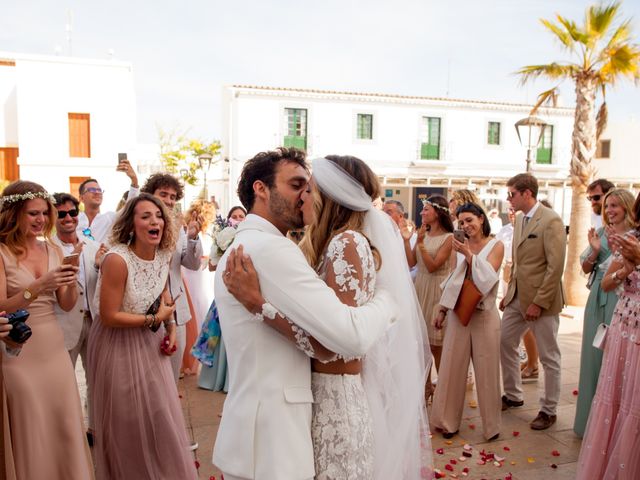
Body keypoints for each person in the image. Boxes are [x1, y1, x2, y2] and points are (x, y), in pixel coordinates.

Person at [222, 153, 431, 479]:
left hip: (331, 399)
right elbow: (330, 341)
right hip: (291, 420)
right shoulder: (279, 248)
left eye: (308, 187)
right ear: (261, 189)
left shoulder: (340, 243)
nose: (303, 195)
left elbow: (343, 343)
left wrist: (390, 301)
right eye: (296, 185)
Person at [87, 193, 197, 479]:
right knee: (127, 420)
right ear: (131, 224)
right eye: (145, 216)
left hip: (150, 342)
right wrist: (155, 319)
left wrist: (170, 326)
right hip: (116, 343)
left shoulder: (164, 254)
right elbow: (109, 315)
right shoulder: (117, 260)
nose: (154, 221)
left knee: (160, 413)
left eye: (159, 215)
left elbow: (163, 291)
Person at [0, 180, 94, 479]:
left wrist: (70, 274)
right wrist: (38, 287)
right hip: (19, 352)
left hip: (53, 348)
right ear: (13, 214)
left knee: (62, 422)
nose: (41, 220)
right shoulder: (2, 252)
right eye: (32, 213)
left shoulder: (52, 249)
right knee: (31, 424)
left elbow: (66, 304)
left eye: (44, 213)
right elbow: (2, 305)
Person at [575, 194, 640, 479]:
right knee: (615, 389)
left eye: (614, 205)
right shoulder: (631, 237)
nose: (609, 210)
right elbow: (609, 278)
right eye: (605, 206)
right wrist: (626, 268)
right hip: (624, 321)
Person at [431, 202, 504, 440]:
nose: (466, 226)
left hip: (484, 315)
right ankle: (448, 423)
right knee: (452, 369)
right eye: (461, 222)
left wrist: (468, 254)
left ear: (481, 219)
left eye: (470, 220)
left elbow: (488, 279)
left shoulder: (497, 245)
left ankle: (491, 427)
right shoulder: (457, 247)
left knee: (487, 372)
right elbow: (453, 279)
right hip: (458, 313)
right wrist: (442, 309)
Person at [500, 173, 566, 430]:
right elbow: (518, 263)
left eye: (512, 194)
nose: (509, 199)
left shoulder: (551, 220)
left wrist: (538, 302)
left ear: (527, 193)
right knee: (505, 341)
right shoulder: (518, 221)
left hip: (543, 300)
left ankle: (548, 410)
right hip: (517, 297)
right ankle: (514, 395)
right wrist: (509, 293)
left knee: (549, 357)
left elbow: (555, 266)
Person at [51, 192, 108, 446]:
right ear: (54, 216)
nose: (68, 218)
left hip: (94, 322)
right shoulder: (47, 249)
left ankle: (94, 428)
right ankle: (67, 432)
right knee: (64, 382)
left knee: (97, 379)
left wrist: (97, 265)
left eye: (72, 213)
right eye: (61, 214)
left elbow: (104, 281)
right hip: (62, 323)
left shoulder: (93, 246)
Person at [140, 173, 204, 382]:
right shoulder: (139, 227)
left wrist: (193, 237)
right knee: (148, 375)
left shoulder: (179, 229)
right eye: (163, 194)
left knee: (172, 373)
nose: (169, 200)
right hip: (146, 310)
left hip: (177, 310)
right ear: (150, 195)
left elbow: (192, 264)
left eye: (173, 196)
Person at [406, 194, 454, 402]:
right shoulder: (421, 233)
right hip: (420, 288)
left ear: (438, 212)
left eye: (426, 209)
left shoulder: (448, 238)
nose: (422, 212)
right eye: (422, 209)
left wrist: (422, 244)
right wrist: (407, 240)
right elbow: (411, 262)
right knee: (420, 345)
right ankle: (426, 388)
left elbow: (434, 266)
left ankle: (443, 388)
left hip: (436, 291)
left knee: (436, 346)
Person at [194, 205, 247, 392]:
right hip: (225, 290)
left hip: (244, 292)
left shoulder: (249, 238)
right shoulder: (220, 238)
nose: (238, 219)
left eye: (242, 216)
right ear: (228, 219)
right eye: (235, 216)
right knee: (218, 334)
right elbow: (211, 266)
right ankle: (215, 378)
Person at [180, 199, 216, 376]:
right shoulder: (194, 233)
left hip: (199, 276)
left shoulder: (204, 233)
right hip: (197, 275)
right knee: (198, 309)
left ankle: (195, 355)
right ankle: (192, 356)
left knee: (200, 310)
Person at [77, 159, 139, 242]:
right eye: (92, 190)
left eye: (99, 190)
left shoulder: (109, 219)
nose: (97, 193)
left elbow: (130, 206)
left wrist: (134, 180)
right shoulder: (74, 220)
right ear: (81, 198)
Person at [384, 199, 418, 279]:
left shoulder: (413, 238)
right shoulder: (379, 236)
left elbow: (416, 268)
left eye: (388, 212)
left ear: (401, 216)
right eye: (383, 212)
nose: (384, 216)